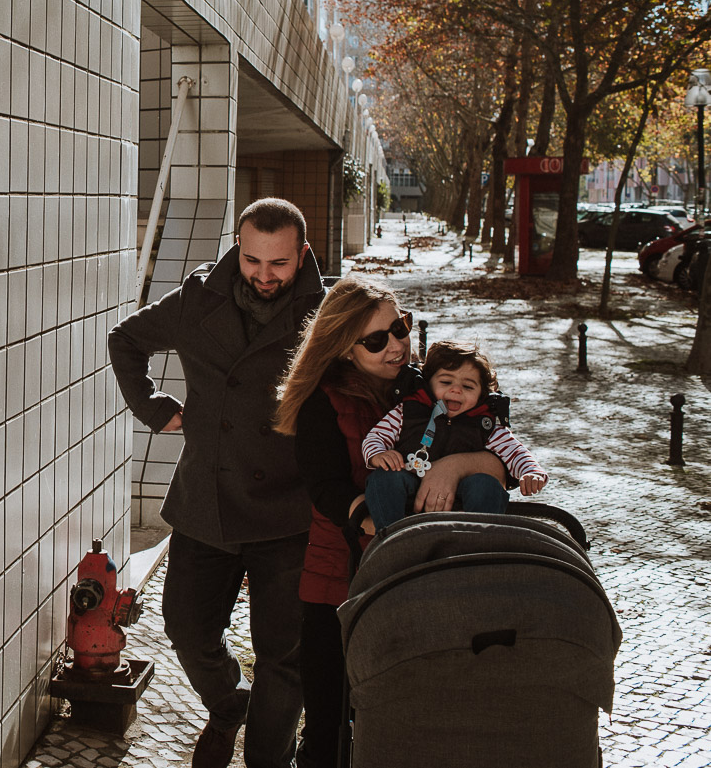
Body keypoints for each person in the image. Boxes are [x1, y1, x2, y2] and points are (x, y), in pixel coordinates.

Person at [108, 198, 324, 768]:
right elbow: (126, 339)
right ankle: (230, 704)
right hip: (209, 498)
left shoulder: (325, 313)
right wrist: (154, 408)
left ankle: (269, 759)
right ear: (237, 247)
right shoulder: (198, 299)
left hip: (289, 507)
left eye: (279, 263)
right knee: (186, 627)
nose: (264, 275)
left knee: (283, 655)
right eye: (252, 260)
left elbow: (377, 372)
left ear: (302, 254)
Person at [272, 278, 508, 768]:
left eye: (399, 328)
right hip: (340, 580)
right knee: (330, 723)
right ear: (344, 347)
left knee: (407, 721)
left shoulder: (435, 384)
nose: (396, 345)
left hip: (426, 577)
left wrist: (455, 466)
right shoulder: (324, 401)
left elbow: (501, 449)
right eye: (376, 340)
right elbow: (328, 488)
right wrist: (383, 527)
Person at [362, 339, 548, 530]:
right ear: (428, 382)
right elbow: (376, 437)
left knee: (485, 484)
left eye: (468, 387)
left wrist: (530, 472)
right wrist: (378, 454)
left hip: (462, 493)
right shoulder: (408, 411)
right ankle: (391, 534)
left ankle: (481, 538)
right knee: (384, 478)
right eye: (446, 382)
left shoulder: (486, 425)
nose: (456, 390)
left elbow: (514, 452)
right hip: (410, 482)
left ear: (481, 394)